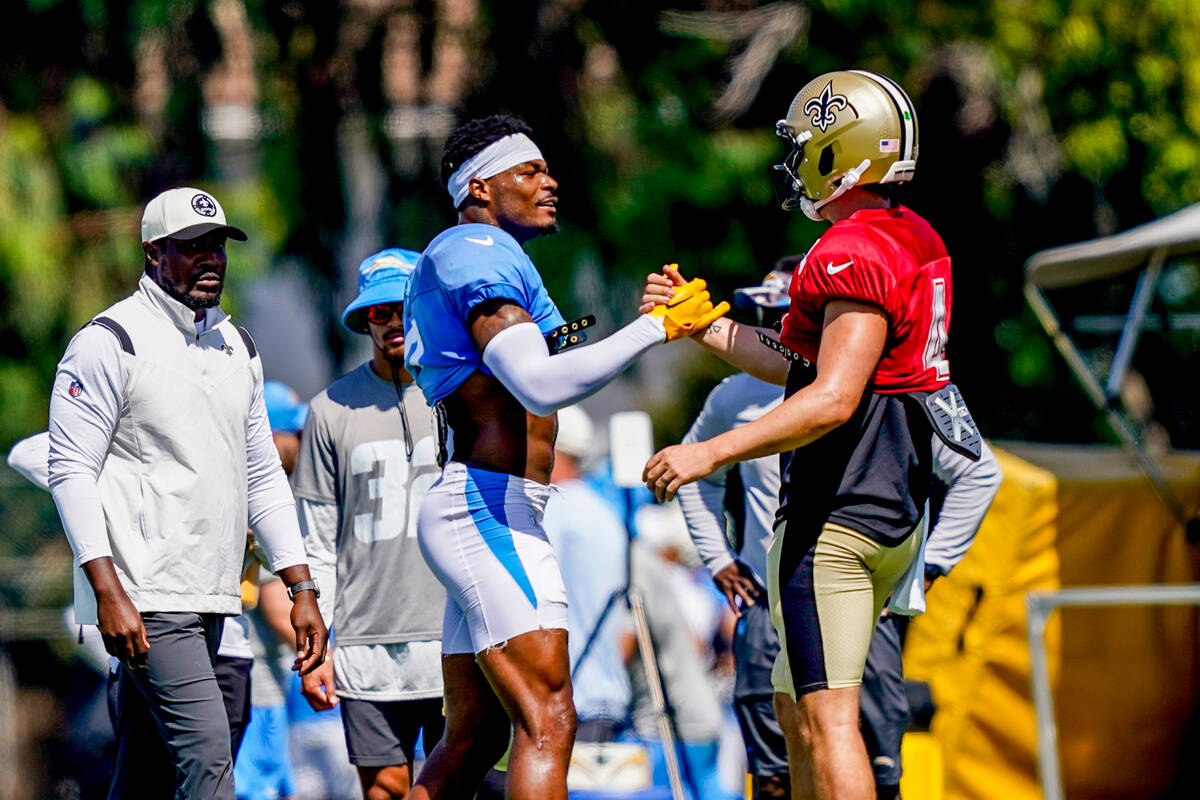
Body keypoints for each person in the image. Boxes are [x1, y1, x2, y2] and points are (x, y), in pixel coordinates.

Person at [641, 71, 981, 800]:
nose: (795, 163)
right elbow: (800, 361)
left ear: (841, 151)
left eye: (805, 146)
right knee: (797, 712)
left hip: (839, 509)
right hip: (891, 502)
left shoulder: (849, 250)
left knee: (829, 722)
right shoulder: (909, 236)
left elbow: (831, 398)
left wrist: (709, 452)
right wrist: (705, 325)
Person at [401, 114, 728, 800]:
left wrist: (651, 321)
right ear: (479, 188)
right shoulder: (471, 249)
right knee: (548, 717)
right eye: (529, 171)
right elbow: (541, 383)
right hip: (488, 509)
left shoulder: (490, 255)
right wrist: (652, 329)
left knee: (477, 737)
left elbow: (552, 376)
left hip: (490, 507)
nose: (549, 182)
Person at [676, 268, 1002, 800]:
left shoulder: (901, 380)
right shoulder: (736, 395)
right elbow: (694, 475)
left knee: (869, 759)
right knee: (779, 768)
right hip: (768, 598)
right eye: (780, 319)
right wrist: (718, 559)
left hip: (855, 594)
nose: (786, 333)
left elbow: (978, 471)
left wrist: (930, 568)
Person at [46, 186, 328, 800]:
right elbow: (69, 469)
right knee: (209, 762)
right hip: (146, 599)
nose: (210, 259)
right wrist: (106, 588)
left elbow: (263, 478)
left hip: (213, 597)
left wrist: (301, 585)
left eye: (218, 247)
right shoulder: (110, 341)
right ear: (153, 253)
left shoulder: (238, 346)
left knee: (144, 778)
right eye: (191, 247)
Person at [292, 248, 447, 800]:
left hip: (455, 635)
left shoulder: (462, 390)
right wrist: (317, 650)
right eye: (378, 313)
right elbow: (316, 536)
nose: (392, 322)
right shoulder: (330, 408)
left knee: (459, 783)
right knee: (384, 790)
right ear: (364, 322)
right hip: (365, 643)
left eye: (402, 307)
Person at [541, 405, 632, 743]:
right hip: (608, 699)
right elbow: (627, 629)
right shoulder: (604, 511)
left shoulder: (554, 509)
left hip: (566, 701)